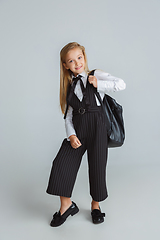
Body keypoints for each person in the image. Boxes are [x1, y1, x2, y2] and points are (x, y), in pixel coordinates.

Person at [46, 42, 126, 227]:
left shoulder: (95, 74)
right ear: (65, 65)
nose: (77, 63)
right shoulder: (69, 87)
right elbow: (68, 117)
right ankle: (66, 206)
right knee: (61, 163)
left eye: (79, 58)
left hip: (98, 129)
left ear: (84, 56)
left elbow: (121, 84)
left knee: (97, 167)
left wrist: (99, 84)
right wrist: (72, 135)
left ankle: (95, 206)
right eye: (71, 61)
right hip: (79, 131)